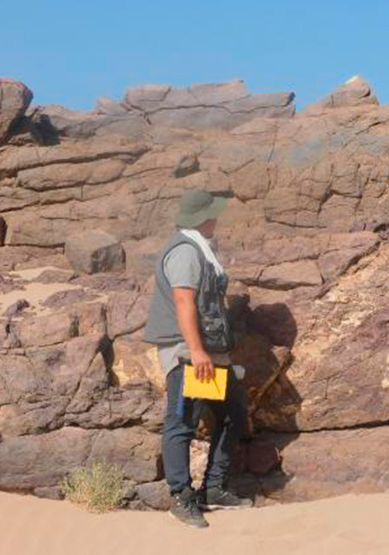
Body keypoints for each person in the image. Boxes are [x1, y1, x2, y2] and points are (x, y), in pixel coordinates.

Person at [143, 189, 252, 528]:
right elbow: (183, 302)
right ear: (204, 217)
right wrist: (197, 351)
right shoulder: (186, 252)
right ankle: (180, 496)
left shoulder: (200, 248)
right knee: (182, 422)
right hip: (188, 353)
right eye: (213, 213)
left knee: (233, 414)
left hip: (207, 353)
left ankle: (214, 488)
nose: (217, 218)